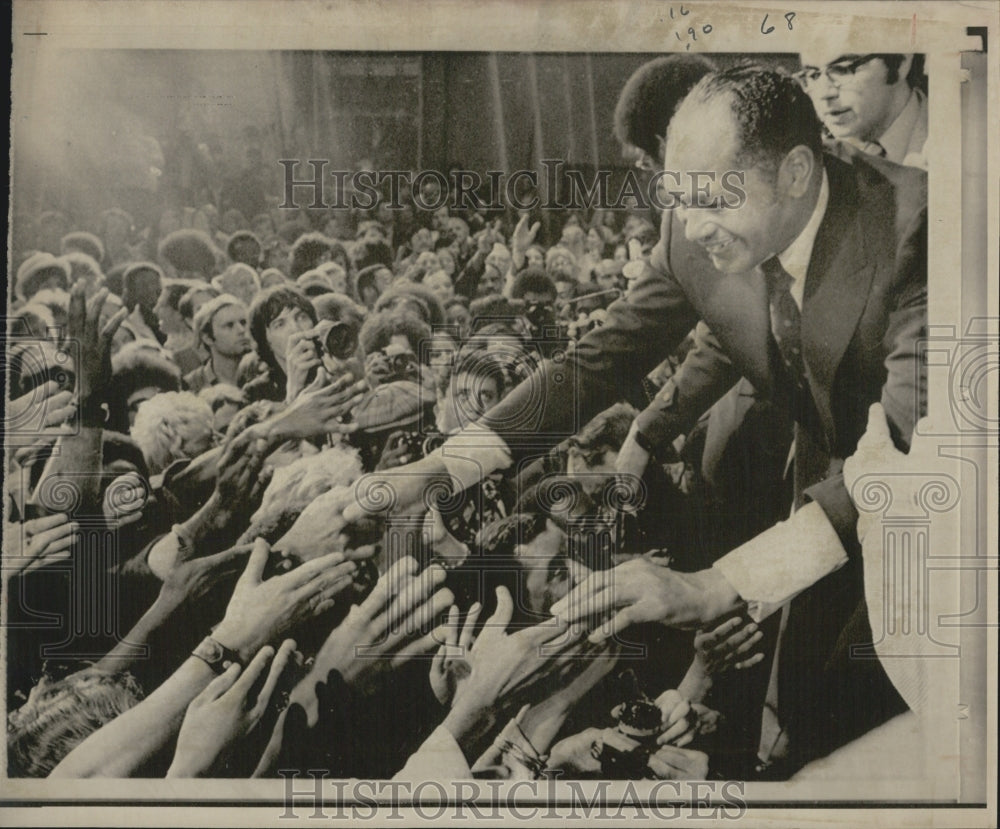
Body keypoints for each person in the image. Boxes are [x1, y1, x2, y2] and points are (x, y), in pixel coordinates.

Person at [345, 66, 926, 777]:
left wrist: (715, 585)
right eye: (678, 198)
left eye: (714, 198)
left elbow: (905, 449)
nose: (694, 224)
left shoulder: (922, 228)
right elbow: (595, 363)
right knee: (812, 716)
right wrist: (441, 466)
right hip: (819, 500)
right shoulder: (691, 234)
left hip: (930, 513)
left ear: (797, 172)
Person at [796, 49, 926, 169]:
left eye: (842, 69)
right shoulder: (809, 154)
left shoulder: (942, 146)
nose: (823, 94)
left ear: (901, 63)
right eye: (813, 75)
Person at [184, 294, 252, 392]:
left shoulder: (266, 374)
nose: (241, 330)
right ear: (207, 338)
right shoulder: (192, 386)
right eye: (229, 325)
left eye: (243, 322)